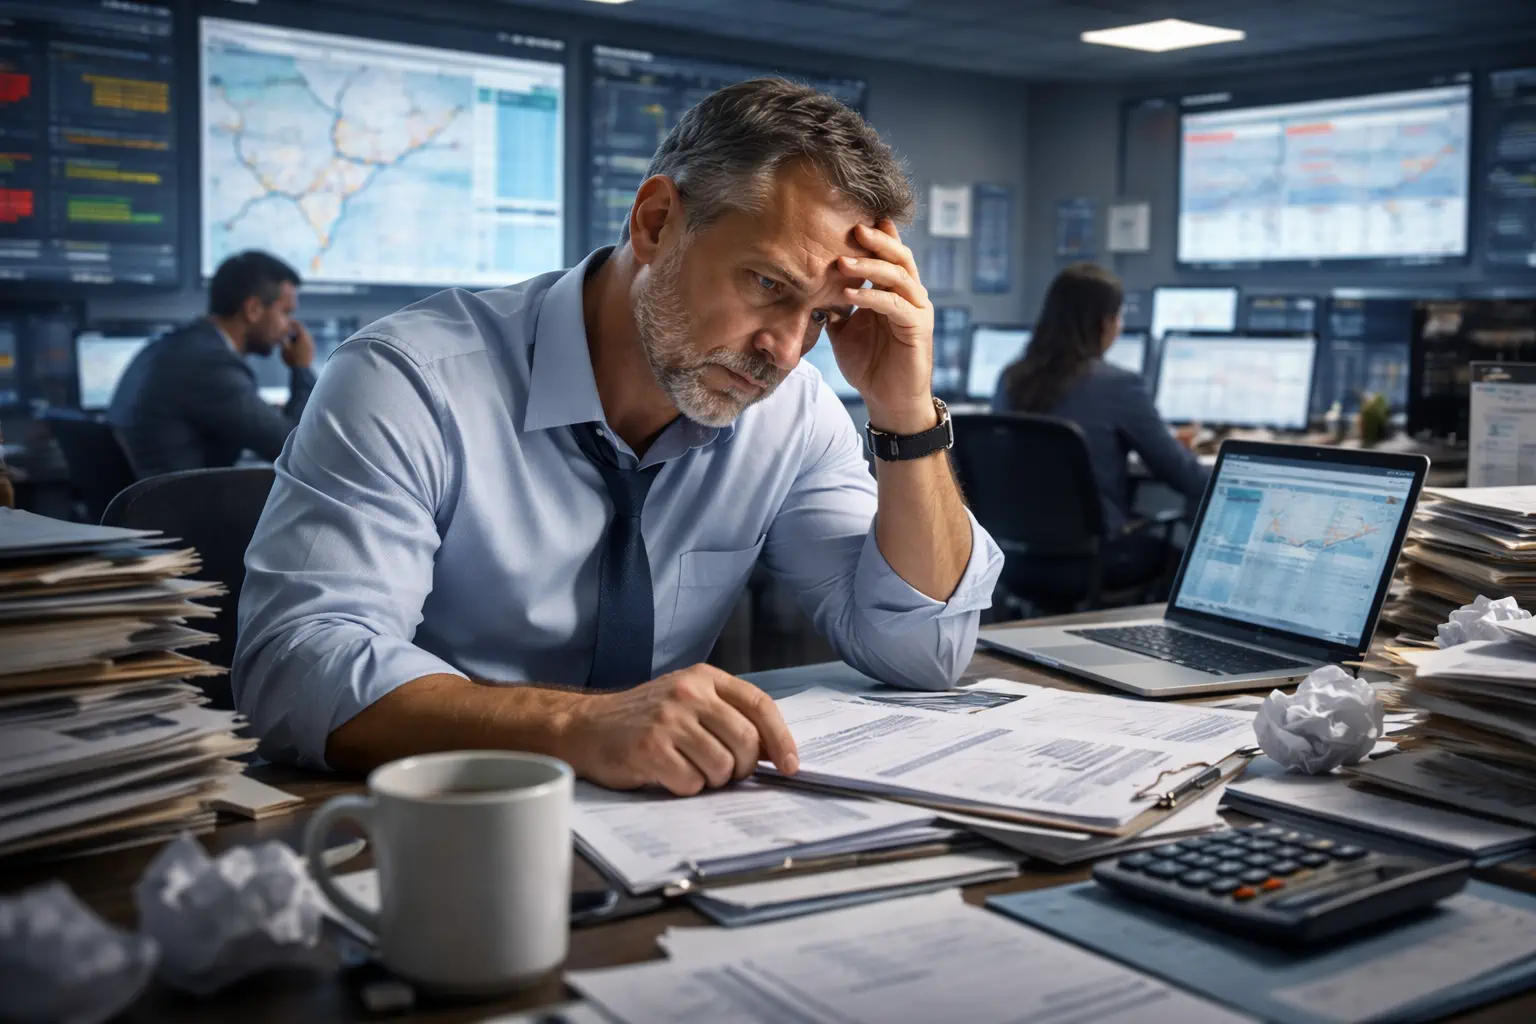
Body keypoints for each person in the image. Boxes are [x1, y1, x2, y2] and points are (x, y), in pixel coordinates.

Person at [234, 78, 1004, 795]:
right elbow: (297, 670)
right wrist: (580, 728)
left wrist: (904, 413)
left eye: (824, 316)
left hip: (670, 830)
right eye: (768, 285)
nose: (786, 351)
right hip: (437, 819)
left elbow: (923, 653)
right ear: (656, 222)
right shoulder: (411, 381)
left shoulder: (790, 412)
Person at [992, 262, 1210, 587]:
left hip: (1014, 562)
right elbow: (1186, 477)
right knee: (1181, 559)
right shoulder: (1118, 385)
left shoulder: (1011, 379)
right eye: (1119, 317)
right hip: (1098, 562)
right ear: (1104, 322)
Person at [109, 251, 316, 477]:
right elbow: (296, 452)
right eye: (285, 312)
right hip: (180, 508)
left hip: (156, 502)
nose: (290, 327)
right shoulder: (211, 364)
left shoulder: (177, 347)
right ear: (253, 309)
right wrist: (301, 368)